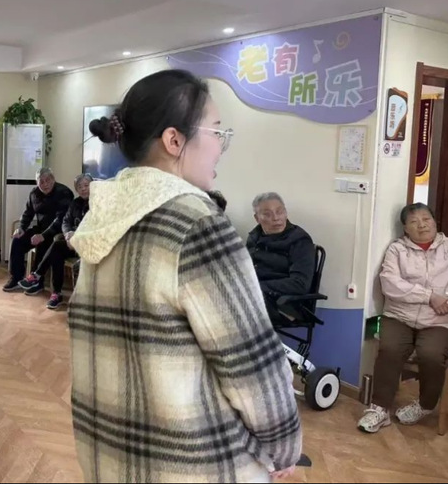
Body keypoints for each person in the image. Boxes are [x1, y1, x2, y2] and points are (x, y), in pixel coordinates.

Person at [68, 69, 301, 482]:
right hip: (191, 464)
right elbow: (252, 365)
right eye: (217, 131)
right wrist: (284, 449)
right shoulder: (198, 223)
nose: (221, 146)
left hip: (108, 454)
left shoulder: (105, 215)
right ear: (174, 140)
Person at [358, 203, 448, 433]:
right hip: (399, 316)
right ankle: (379, 409)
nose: (422, 225)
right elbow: (390, 283)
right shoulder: (397, 250)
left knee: (431, 354)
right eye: (414, 222)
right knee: (389, 349)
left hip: (439, 321)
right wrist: (429, 296)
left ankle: (425, 404)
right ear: (405, 228)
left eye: (426, 219)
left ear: (435, 222)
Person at [17, 173, 92, 310]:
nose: (83, 189)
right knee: (56, 248)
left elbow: (95, 225)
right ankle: (56, 294)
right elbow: (65, 221)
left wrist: (76, 235)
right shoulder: (75, 203)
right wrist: (68, 235)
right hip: (72, 242)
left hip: (89, 243)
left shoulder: (99, 202)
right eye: (79, 187)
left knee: (55, 243)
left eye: (86, 185)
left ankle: (37, 275)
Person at [247, 192, 315, 322]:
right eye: (267, 214)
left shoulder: (299, 240)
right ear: (257, 218)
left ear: (286, 213)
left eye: (280, 212)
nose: (276, 218)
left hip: (284, 304)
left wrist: (256, 287)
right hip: (256, 296)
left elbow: (300, 284)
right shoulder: (254, 237)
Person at [3, 168, 74, 293]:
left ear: (53, 179)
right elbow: (28, 213)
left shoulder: (64, 192)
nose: (45, 184)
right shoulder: (34, 193)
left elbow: (61, 219)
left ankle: (37, 282)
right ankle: (16, 277)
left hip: (58, 232)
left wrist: (43, 235)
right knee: (17, 240)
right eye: (41, 181)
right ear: (37, 182)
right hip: (41, 228)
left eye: (48, 180)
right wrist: (22, 228)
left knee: (43, 242)